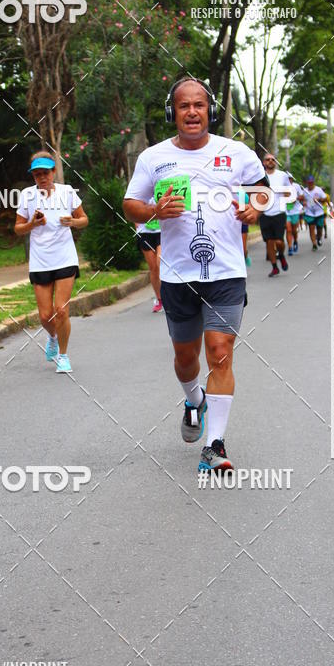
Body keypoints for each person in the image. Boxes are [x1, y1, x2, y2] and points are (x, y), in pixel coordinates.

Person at [123, 76, 269, 472]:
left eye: (199, 105)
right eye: (184, 106)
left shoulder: (236, 152)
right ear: (173, 112)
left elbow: (263, 191)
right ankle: (194, 399)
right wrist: (154, 211)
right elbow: (130, 204)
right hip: (177, 276)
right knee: (185, 357)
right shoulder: (153, 158)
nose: (192, 112)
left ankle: (215, 446)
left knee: (220, 353)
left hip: (225, 272)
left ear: (211, 111)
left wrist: (255, 208)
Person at [14, 150, 88, 373]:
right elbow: (18, 229)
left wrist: (72, 222)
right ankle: (53, 337)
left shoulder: (67, 193)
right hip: (40, 260)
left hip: (65, 257)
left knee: (61, 310)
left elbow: (84, 219)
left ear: (54, 172)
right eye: (37, 175)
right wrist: (32, 225)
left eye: (45, 173)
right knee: (46, 316)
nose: (42, 178)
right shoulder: (27, 196)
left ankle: (63, 356)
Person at [260, 153, 292, 276]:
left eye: (273, 159)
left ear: (276, 162)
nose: (270, 161)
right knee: (269, 241)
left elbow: (289, 191)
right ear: (264, 163)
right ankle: (274, 267)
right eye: (268, 159)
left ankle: (282, 255)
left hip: (279, 211)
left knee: (279, 241)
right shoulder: (259, 176)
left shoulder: (282, 176)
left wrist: (287, 197)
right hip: (264, 212)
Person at [136, 215, 163, 312]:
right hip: (145, 232)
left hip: (161, 230)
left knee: (160, 262)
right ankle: (159, 299)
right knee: (153, 268)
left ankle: (170, 296)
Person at [302, 176, 328, 249]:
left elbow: (325, 199)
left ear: (313, 182)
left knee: (320, 228)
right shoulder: (305, 191)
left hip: (319, 212)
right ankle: (314, 243)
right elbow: (302, 199)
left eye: (312, 182)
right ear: (307, 183)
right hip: (309, 213)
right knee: (311, 228)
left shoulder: (318, 190)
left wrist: (319, 199)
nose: (310, 183)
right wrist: (303, 202)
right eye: (309, 182)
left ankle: (319, 238)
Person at [285, 172, 303, 255]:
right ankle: (290, 247)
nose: (289, 180)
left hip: (295, 211)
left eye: (290, 178)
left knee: (294, 230)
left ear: (292, 179)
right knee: (288, 230)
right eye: (287, 179)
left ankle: (295, 241)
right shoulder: (282, 186)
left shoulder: (296, 186)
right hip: (285, 211)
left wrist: (295, 198)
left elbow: (302, 196)